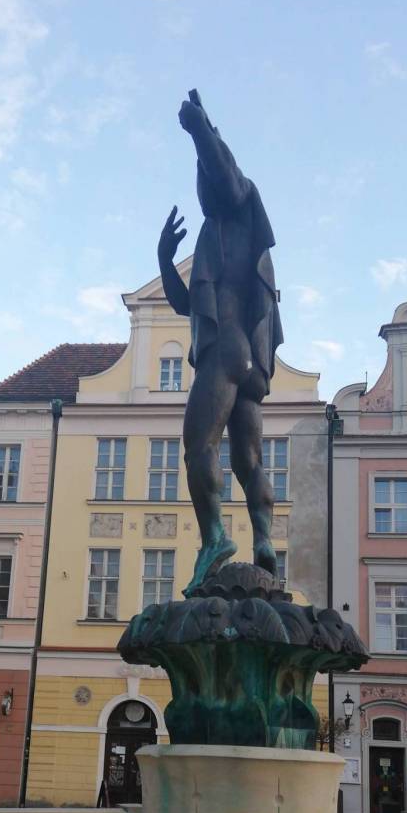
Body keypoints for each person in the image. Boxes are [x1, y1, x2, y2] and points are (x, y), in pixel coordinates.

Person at [158, 89, 284, 595]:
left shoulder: (235, 208)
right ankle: (265, 541)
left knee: (198, 447)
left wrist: (198, 130)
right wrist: (165, 260)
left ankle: (214, 538)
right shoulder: (226, 238)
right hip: (252, 361)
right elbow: (186, 304)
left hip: (226, 349)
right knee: (249, 461)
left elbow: (226, 178)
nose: (205, 187)